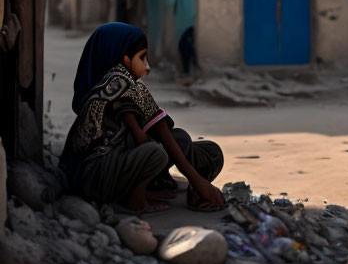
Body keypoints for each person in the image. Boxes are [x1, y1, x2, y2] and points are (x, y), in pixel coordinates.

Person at [59, 23, 226, 213]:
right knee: (158, 151)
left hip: (99, 169)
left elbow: (150, 129)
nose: (147, 67)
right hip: (96, 176)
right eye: (142, 58)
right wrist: (196, 179)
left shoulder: (112, 82)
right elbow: (156, 132)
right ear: (125, 58)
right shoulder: (121, 82)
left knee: (182, 141)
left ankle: (157, 186)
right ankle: (136, 202)